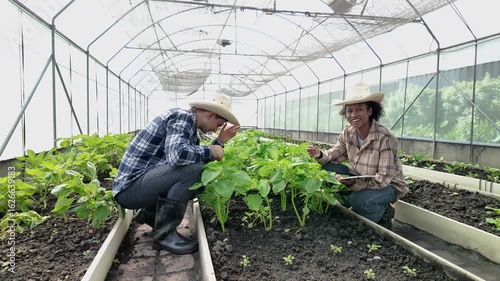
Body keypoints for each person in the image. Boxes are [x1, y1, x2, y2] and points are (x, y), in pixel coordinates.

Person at [112, 94, 240, 254]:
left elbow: (195, 161)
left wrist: (219, 142)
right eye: (218, 124)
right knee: (190, 171)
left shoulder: (191, 128)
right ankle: (164, 236)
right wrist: (210, 149)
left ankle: (150, 215)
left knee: (193, 172)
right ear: (210, 115)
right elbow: (177, 156)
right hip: (129, 190)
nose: (215, 130)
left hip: (137, 186)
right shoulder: (182, 117)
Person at [307, 83, 408, 229]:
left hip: (389, 186)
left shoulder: (384, 137)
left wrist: (352, 184)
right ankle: (359, 203)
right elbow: (334, 155)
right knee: (326, 168)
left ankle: (383, 214)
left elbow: (383, 178)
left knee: (359, 201)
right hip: (359, 176)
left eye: (359, 109)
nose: (353, 115)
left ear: (370, 111)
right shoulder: (349, 132)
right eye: (350, 111)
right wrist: (319, 154)